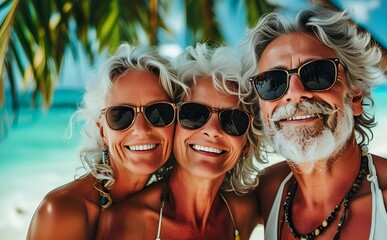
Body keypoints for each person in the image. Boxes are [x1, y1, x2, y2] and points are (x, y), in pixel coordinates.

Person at [240, 6, 387, 240]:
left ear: (355, 96)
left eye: (316, 74)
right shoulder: (266, 191)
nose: (295, 94)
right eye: (272, 82)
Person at [95, 43, 265, 240]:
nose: (212, 131)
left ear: (246, 143)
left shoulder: (243, 211)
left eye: (233, 120)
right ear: (172, 125)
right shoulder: (126, 223)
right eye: (194, 115)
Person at [27, 43, 187, 240]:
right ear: (103, 131)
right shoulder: (64, 212)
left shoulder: (168, 208)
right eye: (121, 115)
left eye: (159, 112)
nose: (141, 129)